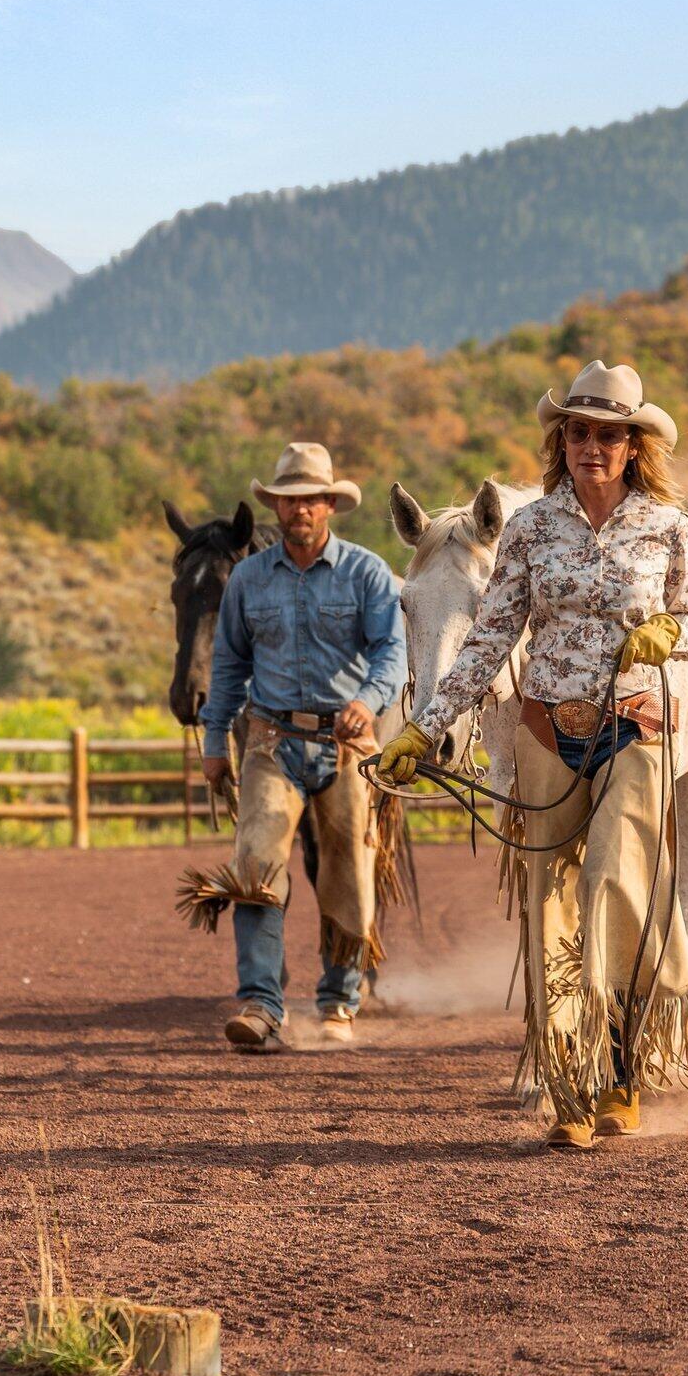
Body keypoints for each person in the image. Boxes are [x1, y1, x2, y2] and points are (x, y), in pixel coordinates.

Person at [379, 361, 688, 1149]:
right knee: (548, 906)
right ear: (560, 440)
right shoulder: (529, 530)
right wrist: (426, 726)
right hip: (546, 728)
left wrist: (668, 633)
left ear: (634, 446)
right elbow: (491, 635)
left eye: (607, 433)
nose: (590, 446)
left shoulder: (669, 527)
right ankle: (571, 1084)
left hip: (634, 726)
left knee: (614, 885)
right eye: (577, 431)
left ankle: (624, 1071)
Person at [179, 442, 407, 1051]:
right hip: (270, 739)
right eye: (288, 500)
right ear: (275, 507)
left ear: (330, 503)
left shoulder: (367, 573)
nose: (299, 509)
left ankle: (339, 1002)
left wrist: (369, 698)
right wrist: (213, 742)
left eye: (310, 498)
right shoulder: (249, 581)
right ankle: (260, 1005)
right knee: (254, 866)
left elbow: (392, 649)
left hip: (347, 741)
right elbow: (228, 664)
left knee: (349, 870)